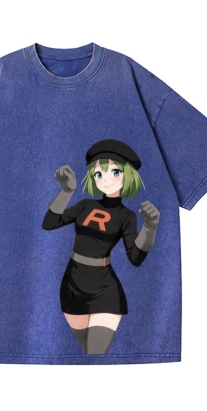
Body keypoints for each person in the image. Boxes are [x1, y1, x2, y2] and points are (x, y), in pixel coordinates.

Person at [42, 139, 160, 354]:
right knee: (88, 355)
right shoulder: (85, 205)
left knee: (96, 353)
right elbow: (50, 223)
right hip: (72, 287)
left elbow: (135, 257)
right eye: (98, 174)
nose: (105, 180)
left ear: (128, 176)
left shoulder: (126, 216)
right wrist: (66, 191)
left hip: (105, 290)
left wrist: (149, 227)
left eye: (115, 172)